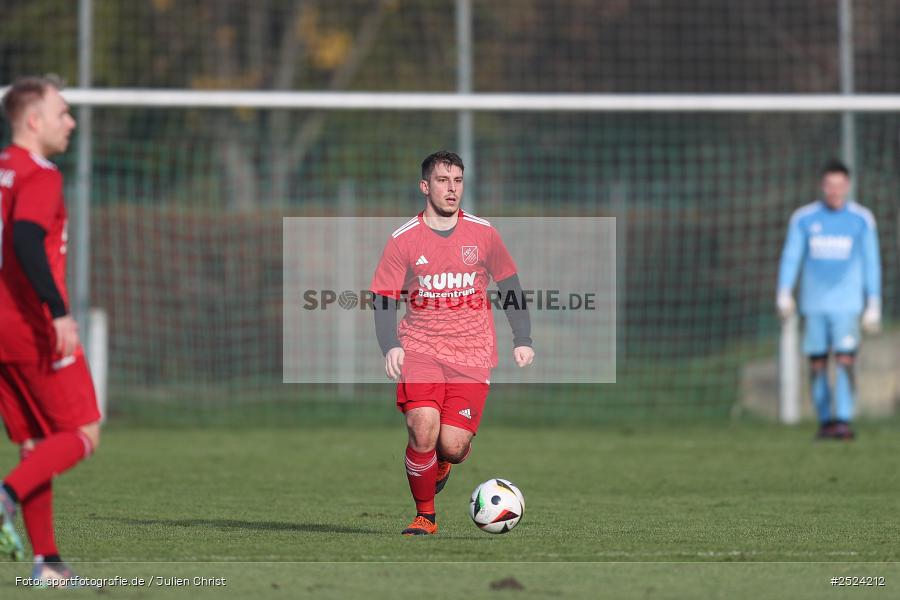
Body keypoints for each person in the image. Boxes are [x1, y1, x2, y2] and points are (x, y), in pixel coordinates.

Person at [370, 151, 534, 535]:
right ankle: (425, 516)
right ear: (425, 186)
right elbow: (383, 298)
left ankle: (443, 462)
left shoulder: (483, 233)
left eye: (458, 180)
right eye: (443, 180)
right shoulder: (403, 240)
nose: (452, 188)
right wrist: (390, 344)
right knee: (421, 426)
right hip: (421, 348)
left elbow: (510, 285)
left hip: (472, 353)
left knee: (453, 446)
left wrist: (522, 337)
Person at [0, 76, 101, 585]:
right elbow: (24, 237)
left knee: (37, 440)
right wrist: (58, 310)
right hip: (29, 326)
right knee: (83, 433)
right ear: (33, 120)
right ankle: (6, 496)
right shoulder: (40, 174)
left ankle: (48, 564)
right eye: (62, 112)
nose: (71, 122)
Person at [777, 159, 881, 440]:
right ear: (823, 186)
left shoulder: (861, 219)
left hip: (847, 306)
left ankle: (844, 420)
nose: (835, 191)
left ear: (847, 186)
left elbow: (872, 263)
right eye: (830, 185)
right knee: (818, 364)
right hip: (814, 305)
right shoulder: (805, 219)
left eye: (840, 185)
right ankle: (825, 421)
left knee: (846, 360)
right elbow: (791, 257)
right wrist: (784, 292)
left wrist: (874, 303)